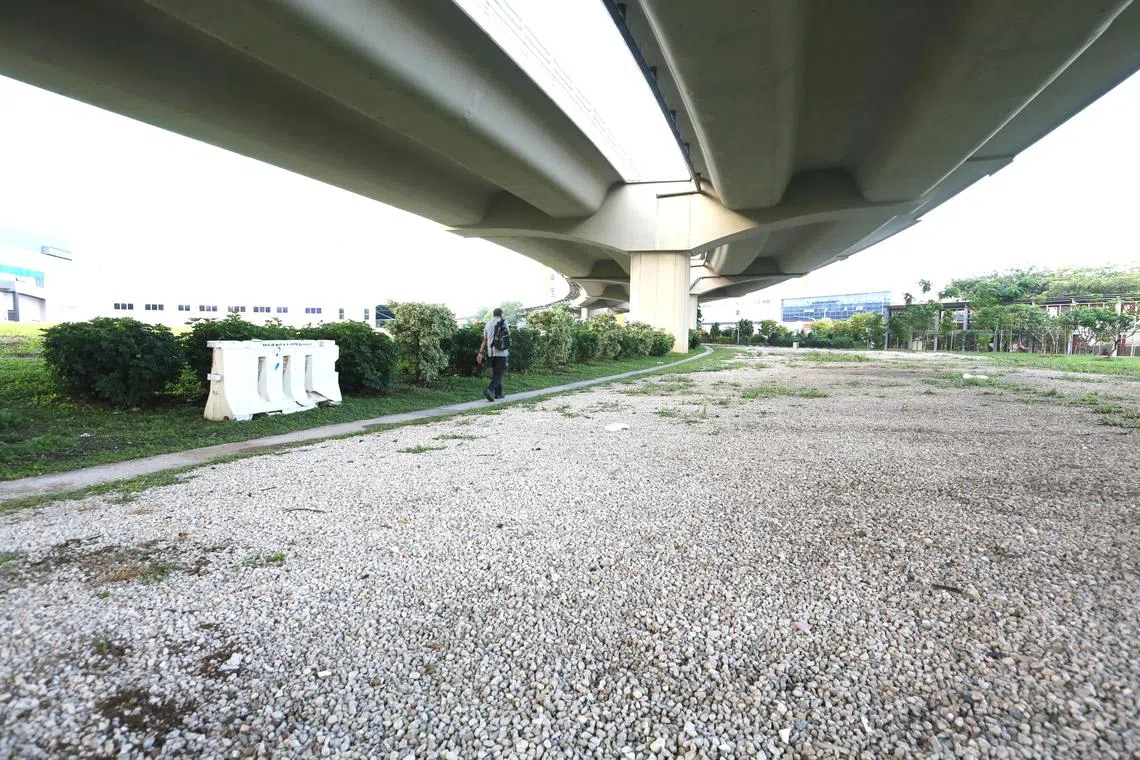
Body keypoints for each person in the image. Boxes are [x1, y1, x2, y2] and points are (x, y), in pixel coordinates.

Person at [476, 307, 509, 401]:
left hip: (491, 353)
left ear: (493, 314)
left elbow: (485, 340)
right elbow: (508, 334)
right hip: (501, 352)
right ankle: (489, 390)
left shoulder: (488, 323)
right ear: (501, 314)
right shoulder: (504, 322)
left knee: (496, 373)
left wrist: (480, 353)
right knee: (498, 375)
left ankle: (499, 394)